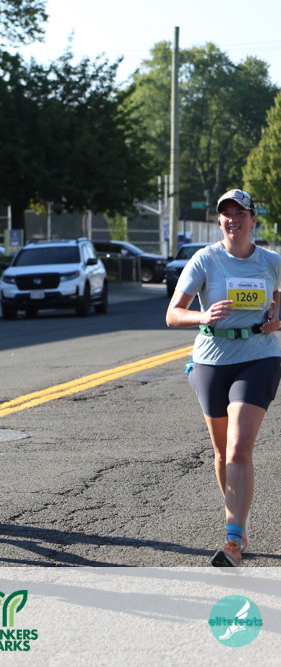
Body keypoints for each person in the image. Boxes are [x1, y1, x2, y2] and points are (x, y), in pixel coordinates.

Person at [166, 188, 281, 567]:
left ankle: (233, 541)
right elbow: (173, 314)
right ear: (219, 221)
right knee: (220, 453)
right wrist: (204, 316)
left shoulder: (271, 261)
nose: (234, 219)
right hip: (211, 360)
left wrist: (277, 313)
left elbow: (279, 296)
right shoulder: (205, 259)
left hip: (259, 357)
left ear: (253, 219)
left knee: (238, 448)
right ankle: (238, 522)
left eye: (240, 213)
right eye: (227, 214)